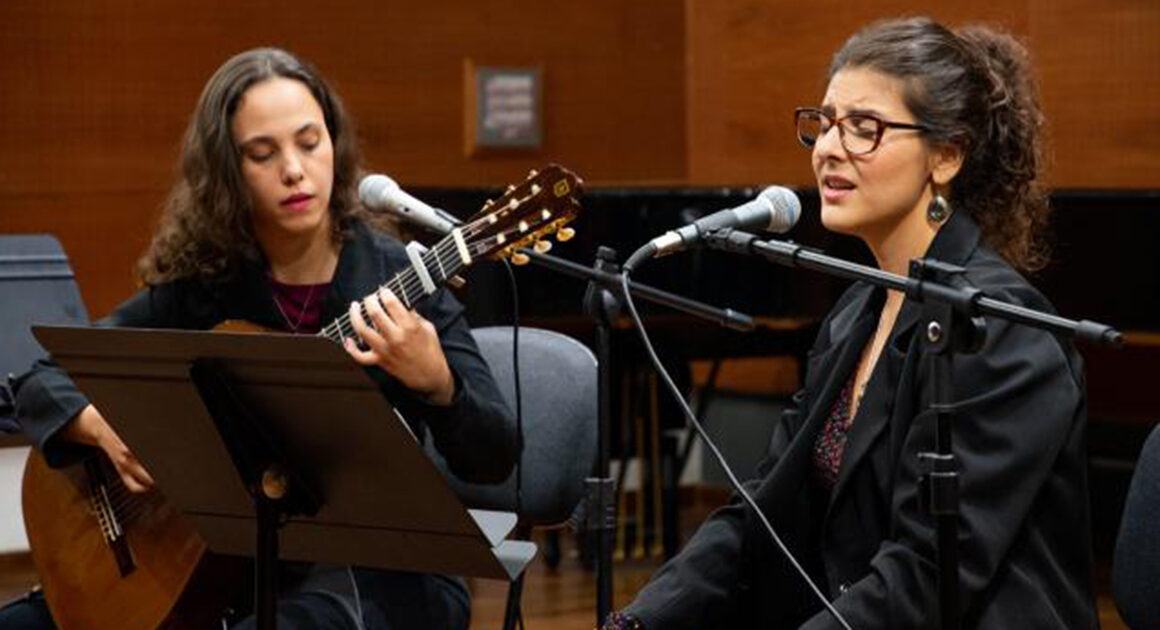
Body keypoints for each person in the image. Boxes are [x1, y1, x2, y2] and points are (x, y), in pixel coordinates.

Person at [603, 17, 1096, 630]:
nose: (829, 148)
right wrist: (640, 620)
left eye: (865, 129)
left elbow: (927, 571)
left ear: (946, 155)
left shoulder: (1000, 332)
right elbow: (764, 504)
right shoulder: (857, 311)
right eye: (825, 123)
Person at [2, 47, 518, 630]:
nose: (294, 170)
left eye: (309, 141)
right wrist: (102, 427)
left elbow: (495, 454)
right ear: (228, 171)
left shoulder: (399, 283)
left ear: (335, 145)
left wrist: (438, 382)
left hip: (378, 577)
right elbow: (41, 380)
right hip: (228, 569)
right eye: (262, 153)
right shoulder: (208, 288)